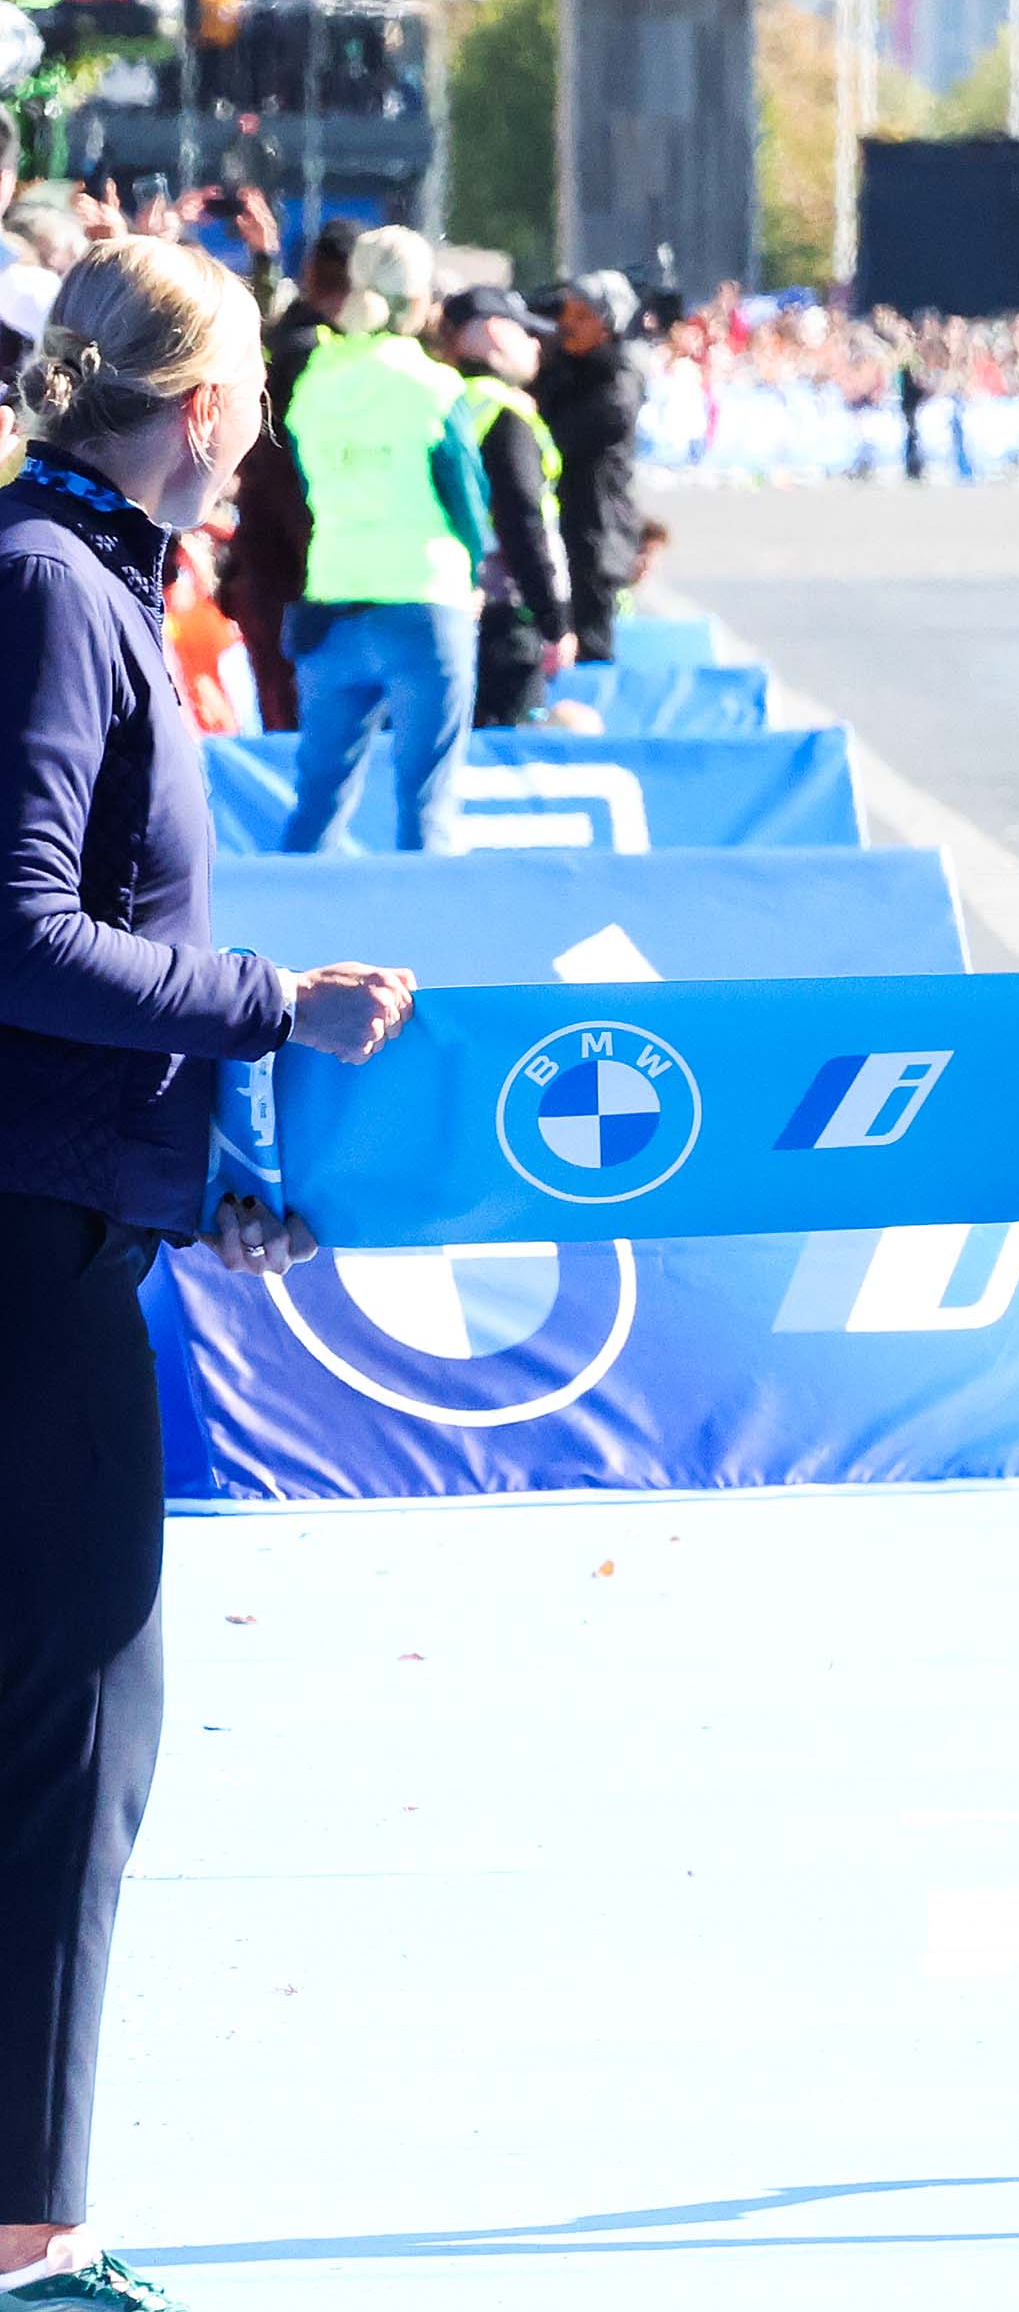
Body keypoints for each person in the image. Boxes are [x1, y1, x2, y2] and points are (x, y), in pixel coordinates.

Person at [0, 235, 415, 2312]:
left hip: (70, 1208)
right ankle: (29, 2227)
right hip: (22, 1232)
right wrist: (272, 1008)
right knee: (82, 1709)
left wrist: (218, 1165)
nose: (259, 441)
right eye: (255, 397)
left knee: (67, 1707)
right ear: (199, 404)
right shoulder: (53, 590)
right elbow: (19, 935)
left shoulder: (77, 576)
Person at [277, 226, 492, 850]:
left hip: (332, 598)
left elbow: (303, 481)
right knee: (427, 808)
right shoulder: (435, 386)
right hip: (424, 601)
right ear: (420, 300)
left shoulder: (314, 378)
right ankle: (430, 945)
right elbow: (467, 504)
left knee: (316, 807)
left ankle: (284, 939)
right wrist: (475, 572)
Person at [216, 216, 353, 734]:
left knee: (292, 718)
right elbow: (288, 478)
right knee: (310, 727)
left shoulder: (288, 341)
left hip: (273, 566)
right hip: (302, 573)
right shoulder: (316, 354)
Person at [436, 284, 573, 727]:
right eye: (526, 333)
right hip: (505, 617)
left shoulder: (434, 399)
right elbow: (523, 522)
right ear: (495, 333)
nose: (536, 345)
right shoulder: (505, 413)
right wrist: (554, 621)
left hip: (439, 605)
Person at [534, 269, 643, 666]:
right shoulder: (560, 368)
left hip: (595, 536)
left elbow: (555, 438)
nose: (567, 325)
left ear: (607, 325)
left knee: (590, 651)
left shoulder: (618, 381)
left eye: (581, 316)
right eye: (567, 314)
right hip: (560, 529)